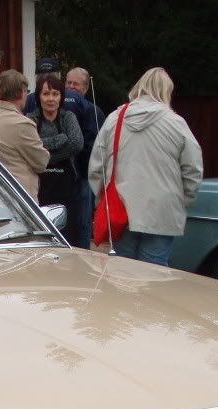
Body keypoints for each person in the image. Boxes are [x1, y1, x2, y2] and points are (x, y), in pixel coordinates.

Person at [88, 67, 203, 266]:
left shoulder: (115, 119)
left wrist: (102, 199)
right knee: (154, 275)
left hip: (121, 209)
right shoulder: (177, 123)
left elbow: (96, 167)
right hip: (163, 212)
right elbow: (193, 169)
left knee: (123, 273)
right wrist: (183, 201)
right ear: (167, 91)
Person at [26, 74, 83, 244]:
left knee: (69, 239)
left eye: (55, 94)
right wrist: (60, 139)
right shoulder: (31, 120)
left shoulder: (68, 117)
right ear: (38, 97)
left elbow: (76, 144)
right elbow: (30, 147)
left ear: (61, 97)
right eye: (46, 94)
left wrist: (43, 154)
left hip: (67, 191)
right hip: (39, 190)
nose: (51, 99)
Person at [0, 70, 49, 199]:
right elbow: (42, 162)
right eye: (26, 91)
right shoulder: (23, 124)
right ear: (22, 92)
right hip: (18, 197)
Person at [65, 66, 106, 248]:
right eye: (68, 83)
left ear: (86, 87)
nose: (71, 87)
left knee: (83, 221)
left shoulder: (94, 111)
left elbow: (95, 148)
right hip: (61, 177)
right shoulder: (56, 108)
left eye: (76, 84)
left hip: (83, 176)